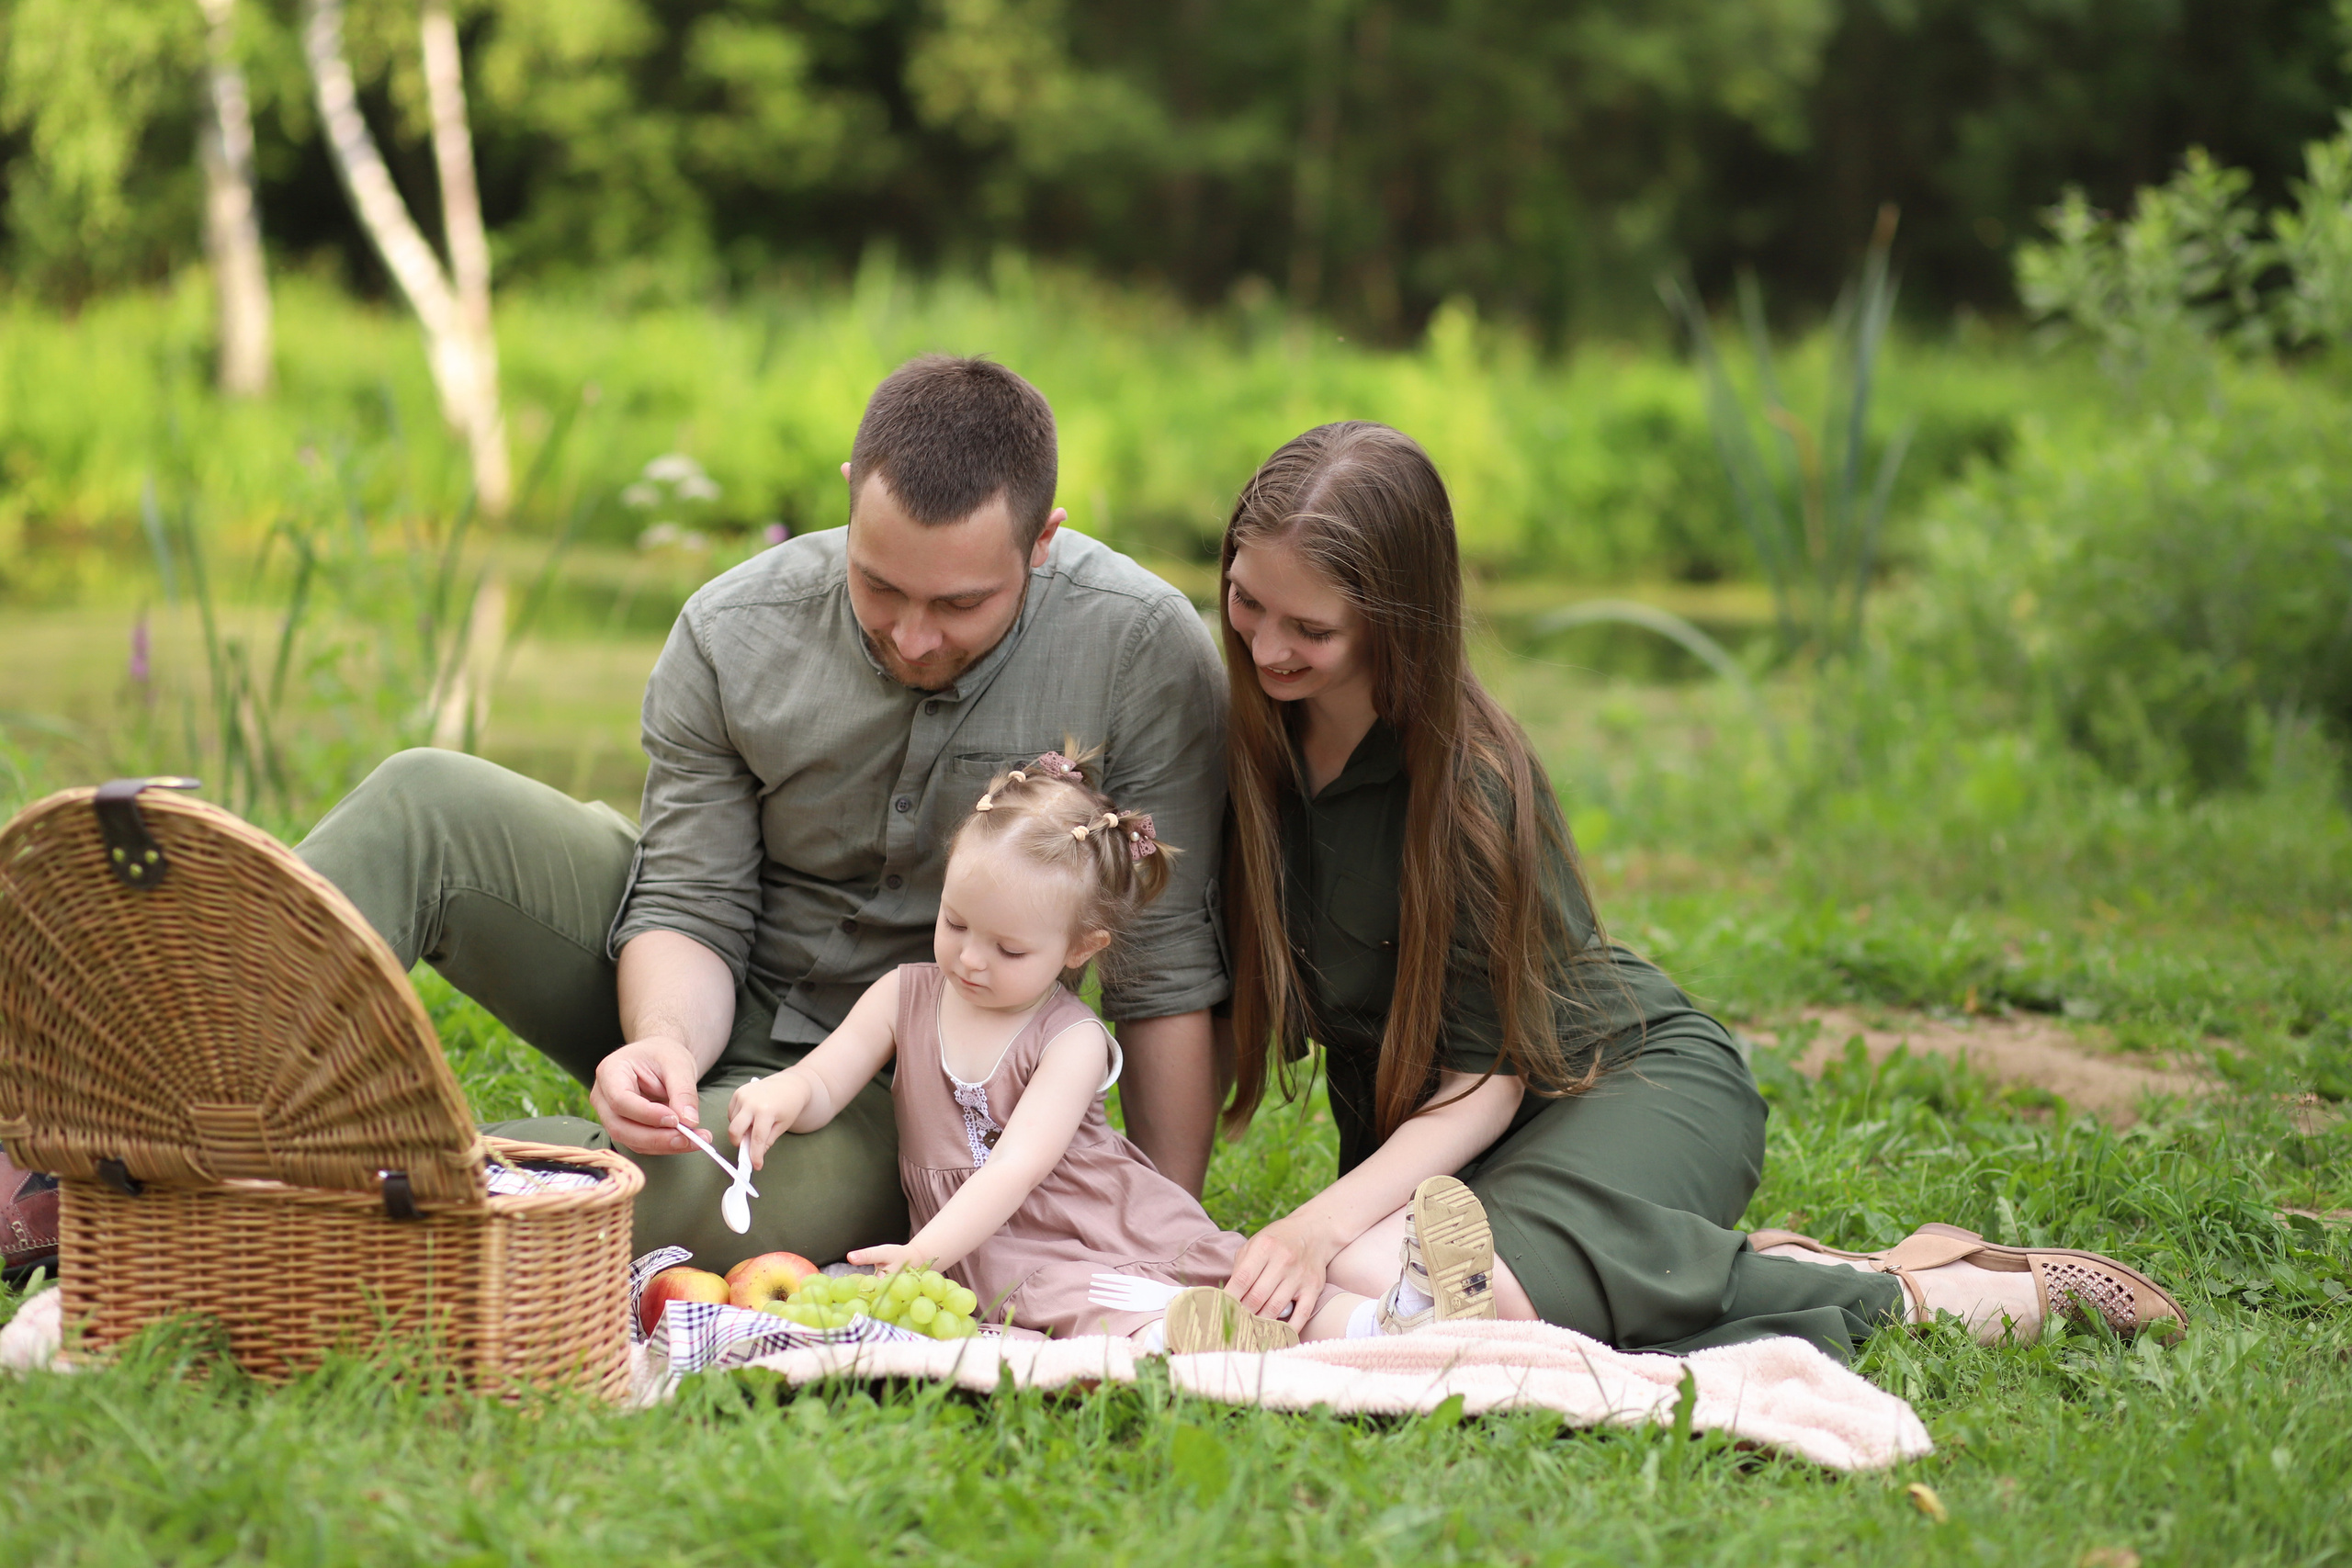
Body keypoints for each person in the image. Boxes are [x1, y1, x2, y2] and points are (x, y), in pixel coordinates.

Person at [1189, 420, 2188, 1360]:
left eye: (1309, 628)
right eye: (1245, 602)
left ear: (1393, 618)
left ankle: (1941, 1298)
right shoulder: (1239, 736)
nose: (1266, 646)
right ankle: (1697, 1272)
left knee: (1411, 1291)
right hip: (1461, 1163)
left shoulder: (1469, 789)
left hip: (1623, 1086)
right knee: (1373, 1301)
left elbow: (1482, 1082)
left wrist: (1316, 1224)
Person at [293, 357, 1230, 1269]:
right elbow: (692, 900)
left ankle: (324, 1185)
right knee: (424, 800)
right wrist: (660, 1045)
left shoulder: (1141, 648)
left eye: (958, 605)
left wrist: (1154, 1235)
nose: (911, 636)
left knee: (688, 1205)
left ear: (1042, 541)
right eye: (879, 587)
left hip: (903, 1090)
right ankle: (186, 1090)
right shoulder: (731, 628)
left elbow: (1164, 974)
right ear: (849, 492)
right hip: (702, 987)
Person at [727, 748, 1436, 1350]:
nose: (971, 959)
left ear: (1079, 948)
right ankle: (1180, 1331)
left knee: (1229, 1266)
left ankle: (1377, 1321)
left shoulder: (1071, 1039)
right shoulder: (903, 994)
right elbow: (826, 1079)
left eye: (1008, 947)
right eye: (955, 921)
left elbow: (1017, 1166)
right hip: (1002, 1240)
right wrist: (784, 1094)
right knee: (1062, 1292)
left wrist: (922, 1256)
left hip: (1099, 1206)